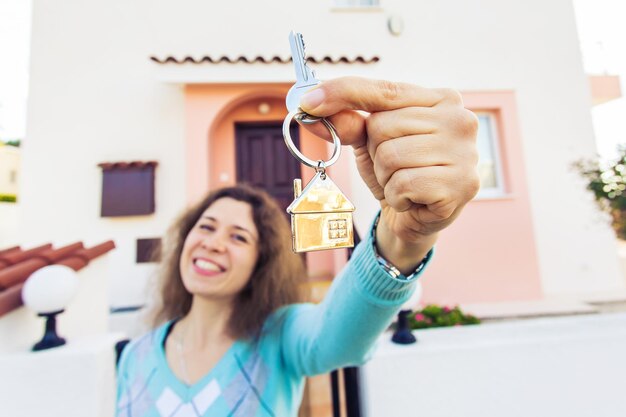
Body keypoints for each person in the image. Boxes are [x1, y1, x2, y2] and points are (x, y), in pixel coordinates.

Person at [115, 77, 480, 416]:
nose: (214, 244)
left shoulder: (280, 338)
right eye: (206, 227)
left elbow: (339, 335)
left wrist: (405, 239)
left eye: (239, 236)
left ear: (261, 261)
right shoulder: (134, 356)